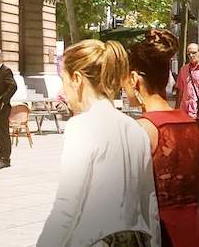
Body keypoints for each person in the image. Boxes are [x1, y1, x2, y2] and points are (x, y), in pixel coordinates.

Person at [38, 38, 159, 247]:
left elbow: (67, 205)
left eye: (63, 80)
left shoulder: (82, 126)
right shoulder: (136, 129)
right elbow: (150, 203)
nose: (64, 91)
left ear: (76, 78)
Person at [127, 29, 199, 247]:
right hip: (196, 236)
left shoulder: (141, 130)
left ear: (134, 79)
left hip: (160, 237)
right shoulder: (192, 127)